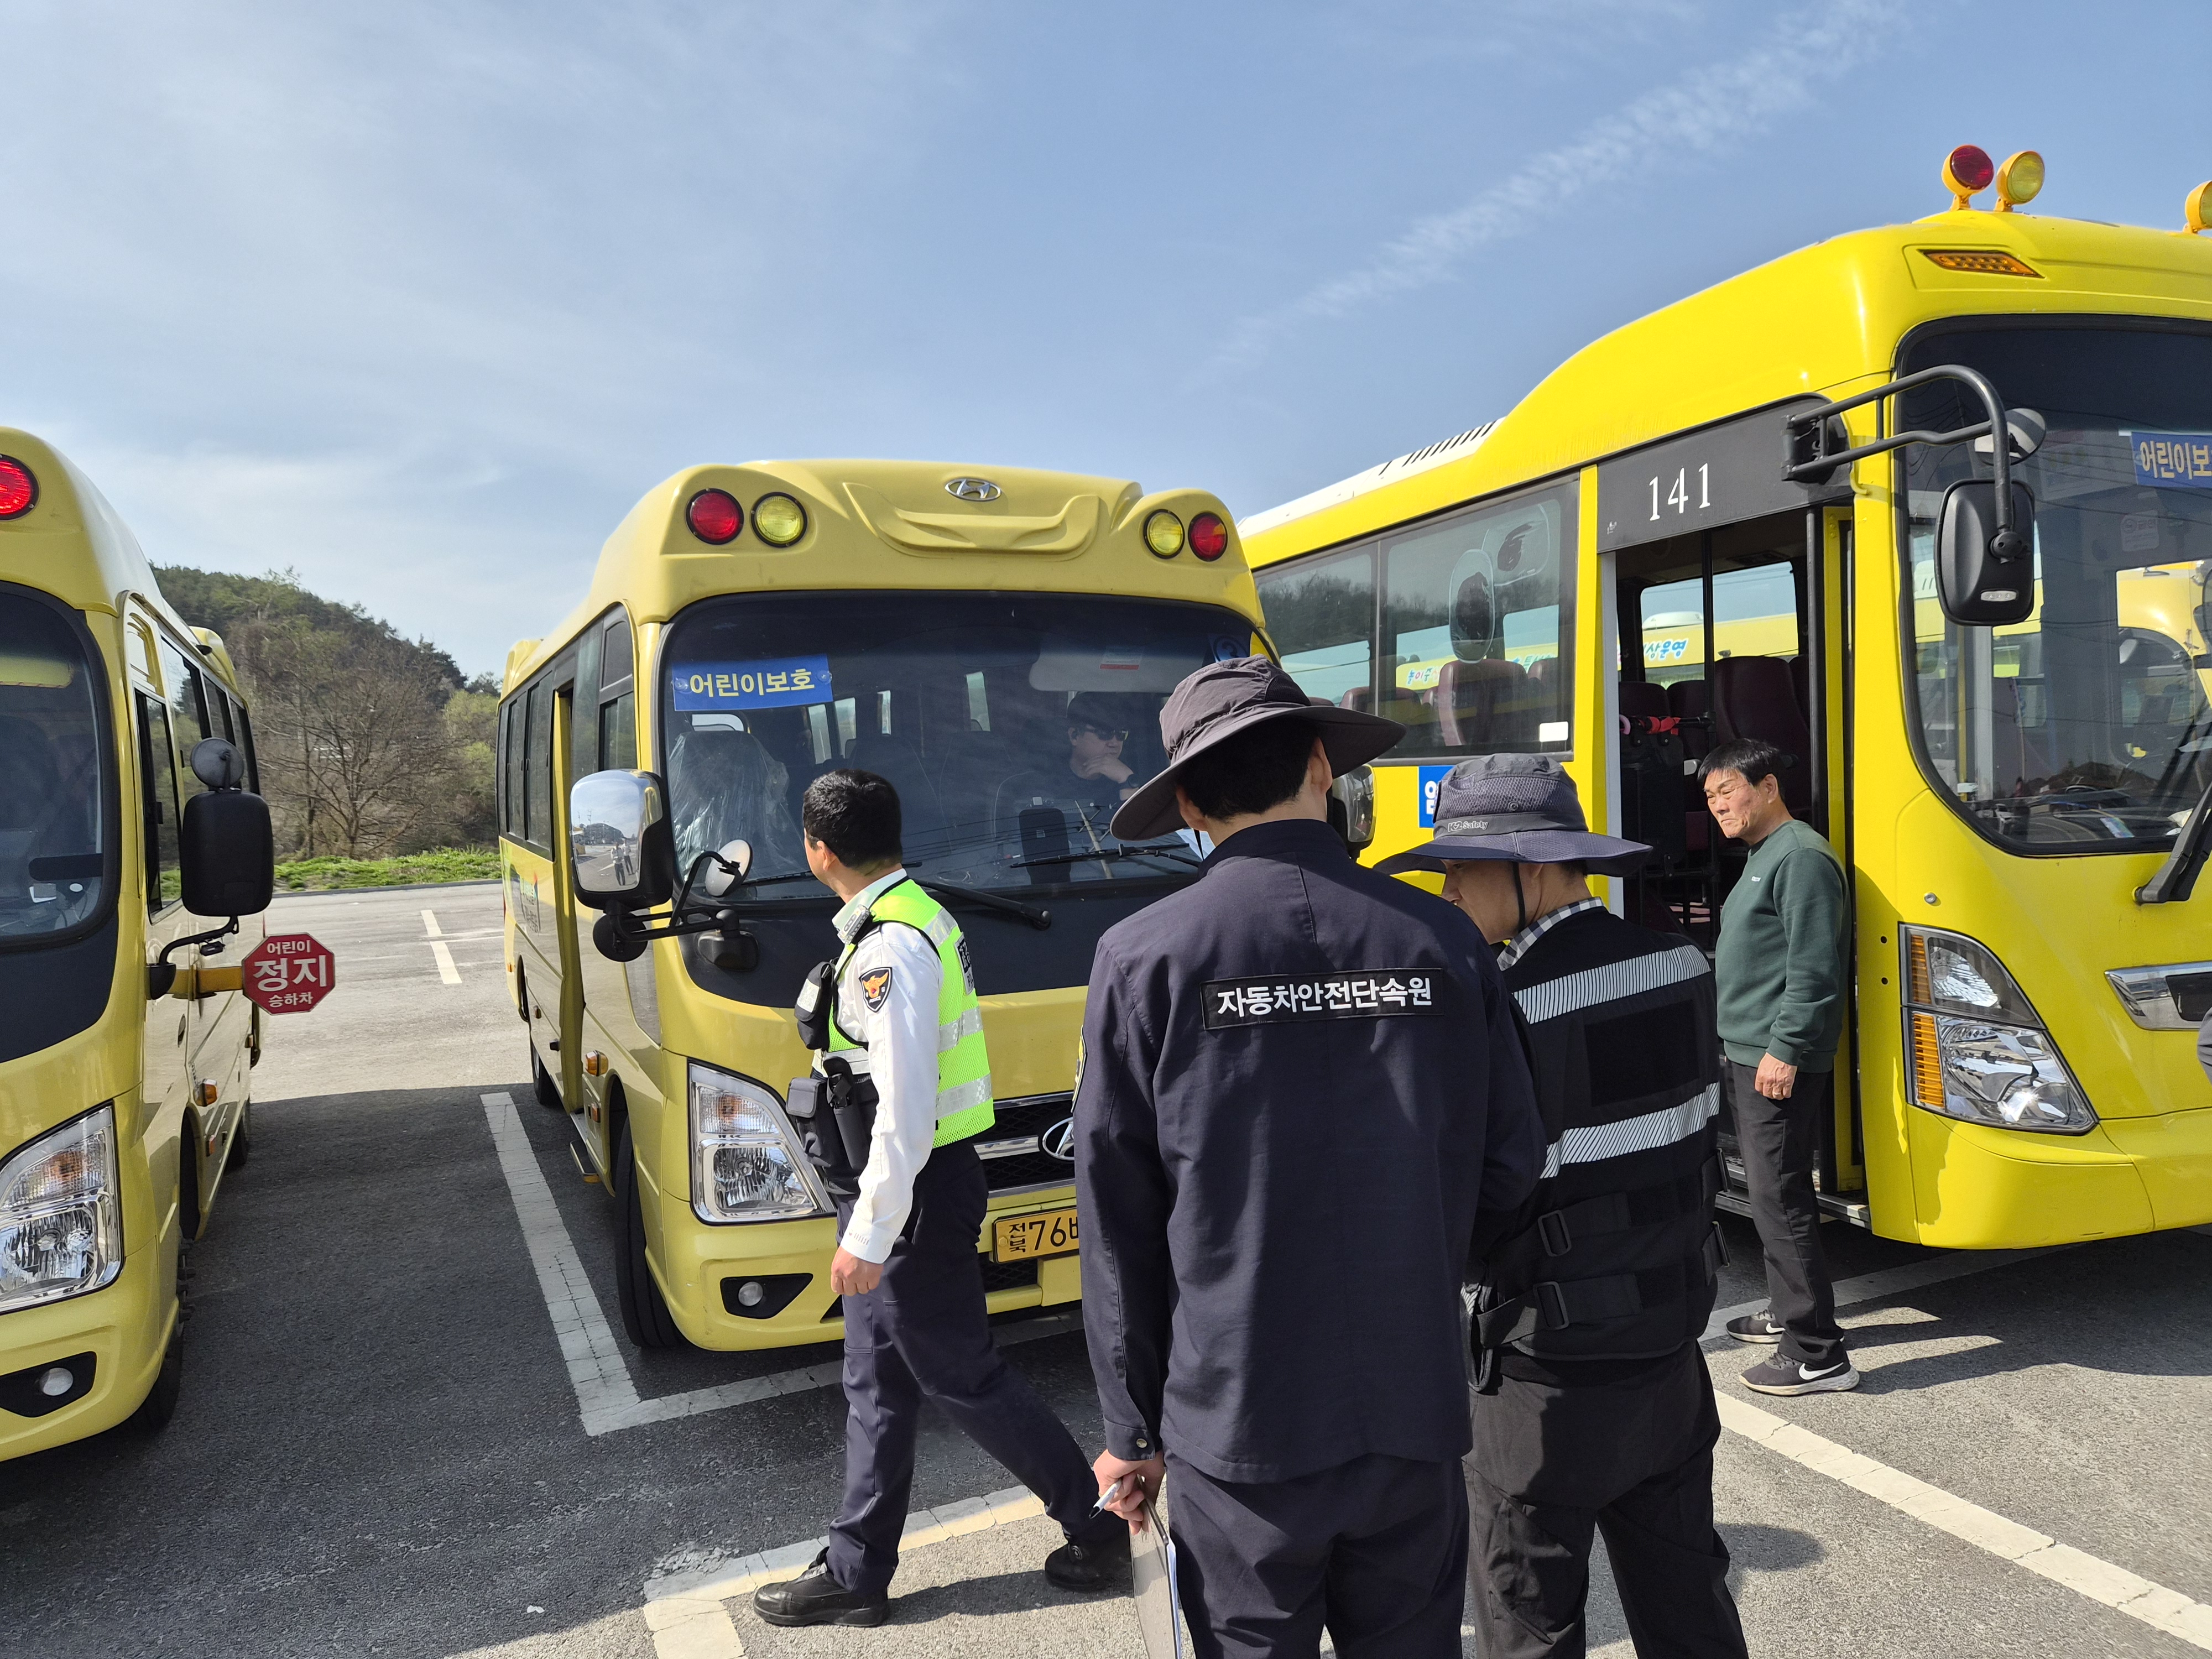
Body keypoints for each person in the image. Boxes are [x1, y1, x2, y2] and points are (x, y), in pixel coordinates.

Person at [1074, 658, 1545, 1659]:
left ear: (1189, 804)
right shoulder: (1443, 938)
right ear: (1324, 767)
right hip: (1413, 1404)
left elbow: (1118, 1223)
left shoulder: (1144, 957)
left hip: (1239, 1423)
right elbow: (1512, 1163)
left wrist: (1132, 1430)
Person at [1378, 756, 1746, 1659]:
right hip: (1670, 1350)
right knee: (1689, 1605)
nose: (1449, 893)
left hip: (1541, 1382)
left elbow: (1470, 1206)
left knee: (1530, 1627)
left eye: (1461, 871)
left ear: (1533, 868)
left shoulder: (1503, 1006)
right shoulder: (1680, 964)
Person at [751, 769, 1128, 1629]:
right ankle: (856, 1568)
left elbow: (906, 1107)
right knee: (875, 1381)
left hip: (911, 1195)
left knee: (960, 1374)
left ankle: (1096, 1523)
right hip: (905, 1191)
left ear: (817, 850)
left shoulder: (890, 946)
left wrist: (870, 1232)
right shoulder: (908, 916)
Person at [1699, 737, 1857, 1397]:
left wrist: (1785, 1049)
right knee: (1766, 1196)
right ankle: (1786, 1309)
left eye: (1727, 790)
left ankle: (1816, 1352)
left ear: (1767, 788)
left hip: (1774, 1057)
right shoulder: (1764, 855)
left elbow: (1814, 969)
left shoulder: (1800, 858)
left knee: (1780, 1197)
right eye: (1709, 796)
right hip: (1748, 1050)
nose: (1717, 806)